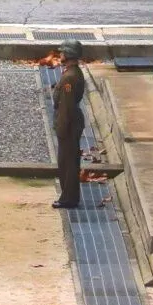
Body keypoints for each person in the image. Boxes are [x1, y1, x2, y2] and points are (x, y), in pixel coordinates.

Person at [53, 40, 87, 209]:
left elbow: (66, 107)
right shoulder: (72, 73)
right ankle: (68, 196)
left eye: (62, 52)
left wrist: (61, 128)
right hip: (72, 122)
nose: (60, 55)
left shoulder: (69, 77)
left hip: (69, 124)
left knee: (68, 164)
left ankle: (68, 198)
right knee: (68, 162)